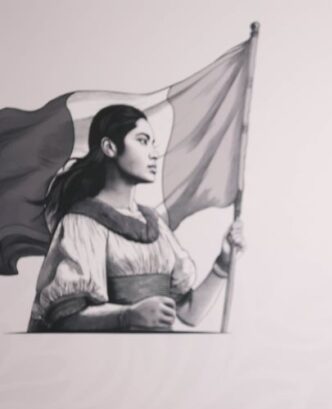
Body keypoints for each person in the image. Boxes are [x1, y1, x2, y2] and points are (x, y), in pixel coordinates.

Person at [28, 104, 242, 331]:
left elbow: (190, 314)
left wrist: (223, 263)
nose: (153, 152)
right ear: (110, 147)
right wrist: (127, 316)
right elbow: (65, 318)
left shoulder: (155, 224)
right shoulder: (82, 223)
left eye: (152, 143)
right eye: (142, 140)